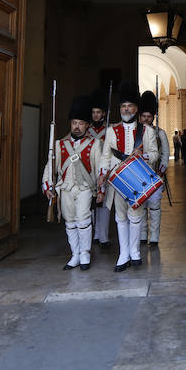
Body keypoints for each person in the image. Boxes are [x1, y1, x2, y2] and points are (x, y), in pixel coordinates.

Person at [98, 80, 158, 272]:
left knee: (136, 216)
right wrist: (101, 175)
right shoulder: (110, 131)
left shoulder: (147, 131)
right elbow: (105, 157)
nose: (126, 109)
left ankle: (135, 252)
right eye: (123, 106)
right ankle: (123, 254)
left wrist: (144, 155)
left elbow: (155, 154)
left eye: (129, 106)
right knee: (120, 217)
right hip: (117, 181)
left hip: (137, 179)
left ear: (136, 108)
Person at [41, 95, 102, 271]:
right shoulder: (60, 145)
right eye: (74, 122)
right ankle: (75, 254)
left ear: (87, 125)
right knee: (70, 222)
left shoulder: (94, 144)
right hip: (65, 188)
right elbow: (50, 167)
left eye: (81, 123)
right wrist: (47, 185)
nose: (76, 126)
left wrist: (101, 189)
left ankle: (85, 253)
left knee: (83, 219)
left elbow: (99, 168)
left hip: (85, 188)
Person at [139, 91, 169, 247]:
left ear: (153, 117)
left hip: (155, 175)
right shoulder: (136, 133)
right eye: (143, 116)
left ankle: (155, 237)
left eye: (148, 117)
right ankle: (143, 234)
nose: (146, 119)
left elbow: (165, 154)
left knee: (155, 207)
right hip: (139, 175)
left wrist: (161, 171)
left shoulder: (160, 133)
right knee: (142, 207)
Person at [88, 88, 111, 250]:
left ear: (103, 114)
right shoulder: (87, 130)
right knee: (91, 204)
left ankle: (103, 236)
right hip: (89, 171)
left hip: (104, 170)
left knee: (104, 204)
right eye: (93, 112)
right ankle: (95, 234)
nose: (96, 115)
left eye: (98, 112)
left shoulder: (109, 130)